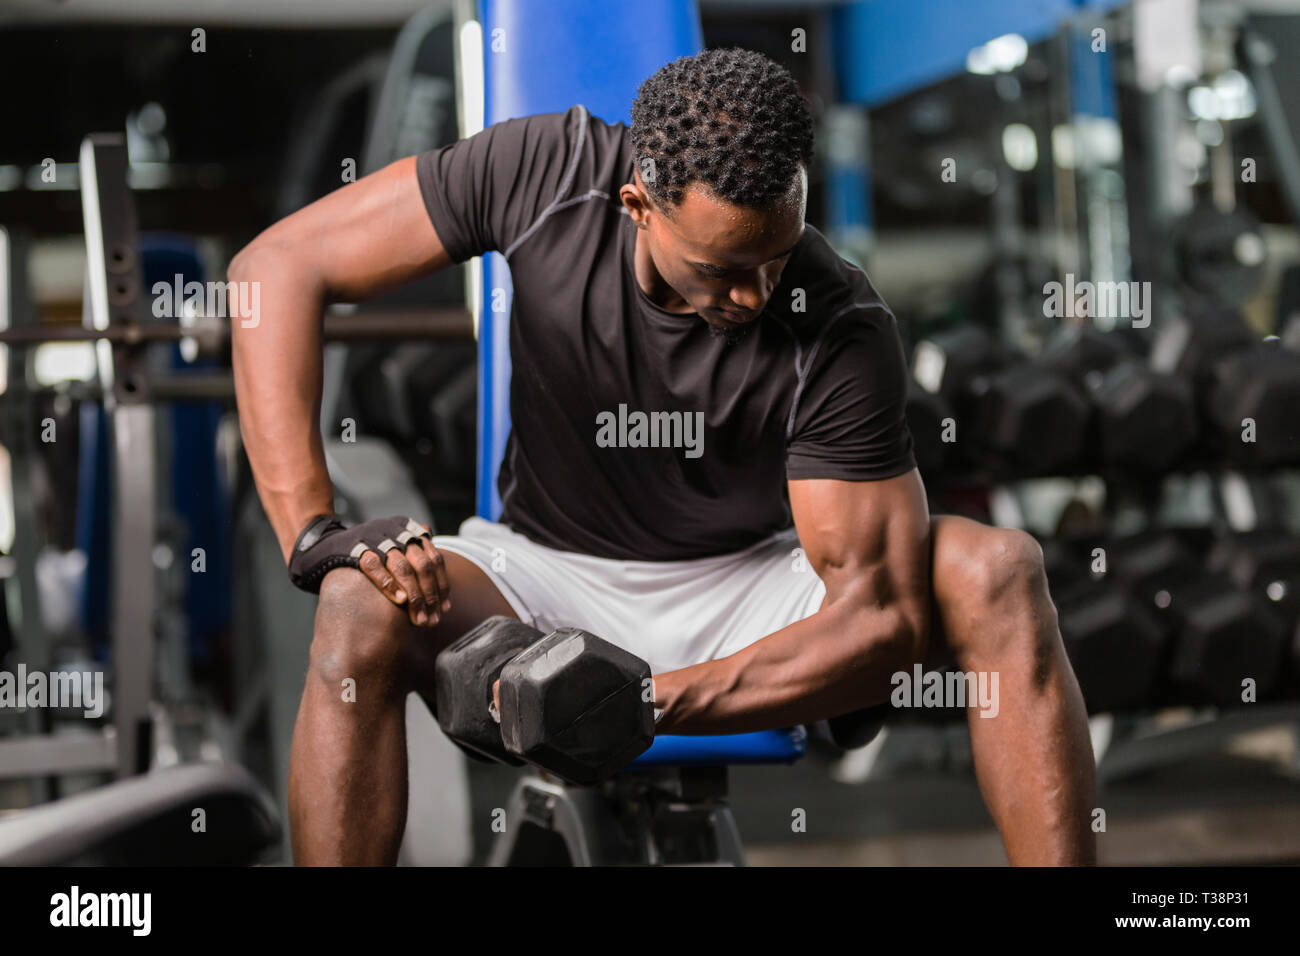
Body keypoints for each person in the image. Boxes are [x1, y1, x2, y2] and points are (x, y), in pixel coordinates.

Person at [228, 48, 1096, 866]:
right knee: (355, 605)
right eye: (723, 268)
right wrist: (311, 530)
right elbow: (276, 267)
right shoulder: (543, 175)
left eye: (776, 257)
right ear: (638, 203)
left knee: (999, 569)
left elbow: (881, 617)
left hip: (751, 587)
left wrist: (642, 699)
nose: (755, 296)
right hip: (542, 575)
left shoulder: (839, 324)